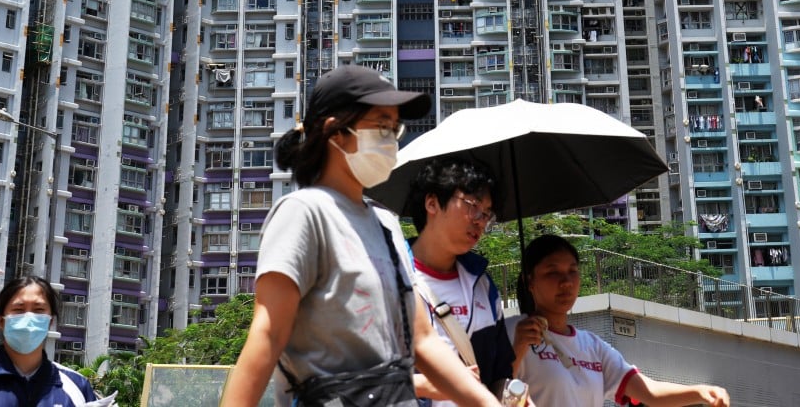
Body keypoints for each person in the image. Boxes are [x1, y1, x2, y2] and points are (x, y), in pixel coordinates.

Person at [220, 65, 502, 407]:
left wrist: (489, 404)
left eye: (393, 128)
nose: (390, 138)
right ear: (335, 132)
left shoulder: (386, 225)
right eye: (380, 125)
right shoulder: (304, 212)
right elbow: (268, 334)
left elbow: (423, 340)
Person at [508, 235, 730, 407]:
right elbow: (489, 389)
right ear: (530, 281)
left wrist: (700, 392)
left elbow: (648, 392)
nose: (566, 282)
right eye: (552, 272)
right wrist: (517, 349)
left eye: (572, 271)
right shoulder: (510, 331)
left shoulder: (592, 346)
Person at [406, 160, 515, 404]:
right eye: (473, 205)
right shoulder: (392, 277)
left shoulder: (484, 286)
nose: (480, 220)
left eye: (487, 213)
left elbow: (500, 373)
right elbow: (365, 377)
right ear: (432, 203)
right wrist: (428, 385)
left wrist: (514, 396)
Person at [0, 276, 113, 406]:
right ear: (2, 321)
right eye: (19, 309)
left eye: (38, 309)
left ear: (50, 321)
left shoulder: (76, 385)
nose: (29, 317)